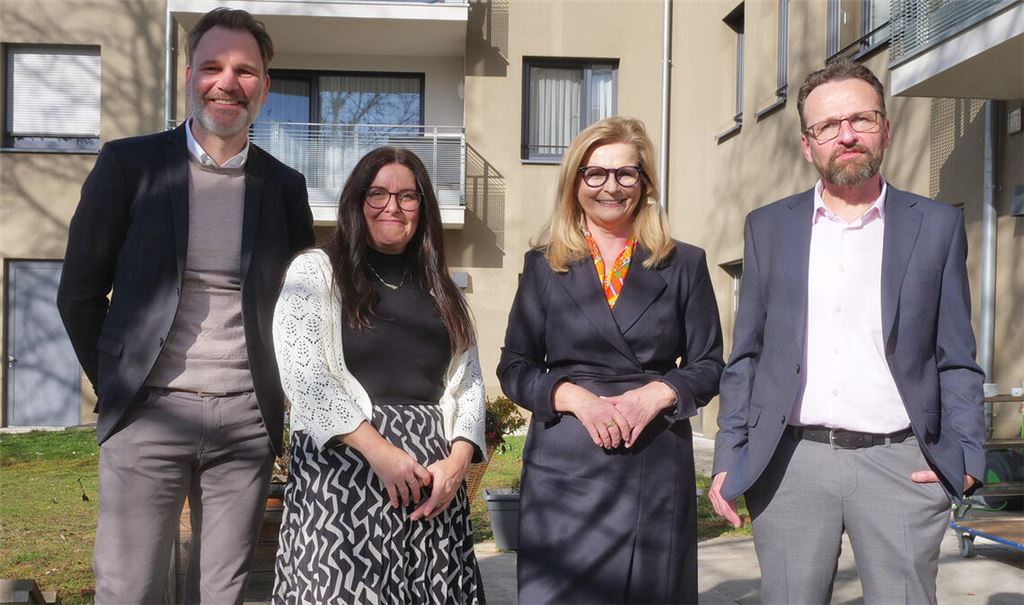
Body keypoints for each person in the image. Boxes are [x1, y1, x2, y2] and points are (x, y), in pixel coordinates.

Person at [55, 8, 315, 602]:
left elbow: (298, 310)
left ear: (265, 86)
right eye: (214, 66)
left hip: (246, 424)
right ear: (190, 73)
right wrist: (122, 384)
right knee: (129, 588)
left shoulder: (284, 188)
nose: (228, 82)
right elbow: (79, 291)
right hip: (148, 414)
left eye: (246, 70)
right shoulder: (129, 166)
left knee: (219, 593)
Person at [709, 61, 985, 604]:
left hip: (901, 462)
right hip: (790, 464)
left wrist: (969, 455)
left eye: (861, 118)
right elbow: (747, 357)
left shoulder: (936, 227)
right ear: (808, 145)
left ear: (886, 128)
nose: (847, 135)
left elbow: (956, 355)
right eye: (828, 126)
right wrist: (728, 456)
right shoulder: (768, 227)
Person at [497, 116, 725, 604]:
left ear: (644, 183)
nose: (610, 187)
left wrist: (657, 394)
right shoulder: (544, 265)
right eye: (594, 173)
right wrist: (576, 398)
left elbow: (709, 364)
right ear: (575, 181)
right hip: (565, 466)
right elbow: (514, 367)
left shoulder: (683, 262)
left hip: (654, 462)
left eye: (626, 173)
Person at [272, 147, 487, 603]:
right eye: (379, 193)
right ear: (356, 200)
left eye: (408, 196)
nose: (393, 206)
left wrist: (457, 462)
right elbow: (304, 374)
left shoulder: (441, 287)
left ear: (422, 209)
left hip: (432, 488)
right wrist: (381, 452)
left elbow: (468, 383)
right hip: (343, 478)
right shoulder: (316, 271)